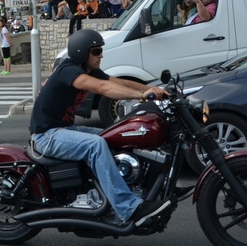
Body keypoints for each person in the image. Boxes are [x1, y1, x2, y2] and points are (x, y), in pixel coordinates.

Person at [30, 29, 172, 226]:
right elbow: (103, 88)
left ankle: (118, 191)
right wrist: (142, 96)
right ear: (81, 52)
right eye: (96, 51)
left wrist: (149, 88)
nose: (101, 55)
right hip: (47, 136)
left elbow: (117, 81)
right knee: (95, 144)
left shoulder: (89, 71)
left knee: (116, 137)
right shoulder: (69, 71)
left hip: (65, 130)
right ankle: (129, 208)